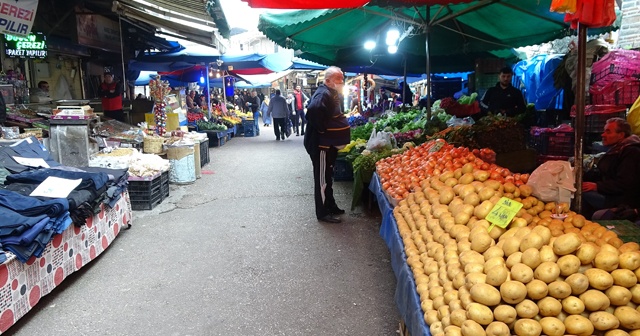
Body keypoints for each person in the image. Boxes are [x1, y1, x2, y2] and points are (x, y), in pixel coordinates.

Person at [304, 66, 351, 224]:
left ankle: (331, 205)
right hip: (321, 145)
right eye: (338, 79)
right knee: (322, 179)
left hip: (328, 145)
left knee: (328, 177)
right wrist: (323, 129)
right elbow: (313, 109)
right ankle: (323, 212)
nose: (341, 82)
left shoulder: (331, 92)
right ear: (328, 80)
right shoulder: (323, 93)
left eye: (342, 78)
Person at [582, 118, 640, 219]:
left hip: (621, 201)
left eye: (608, 132)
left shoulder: (631, 152)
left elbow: (625, 183)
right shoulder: (616, 149)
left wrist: (597, 186)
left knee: (581, 194)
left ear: (621, 135)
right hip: (610, 193)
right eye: (604, 131)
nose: (603, 135)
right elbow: (605, 171)